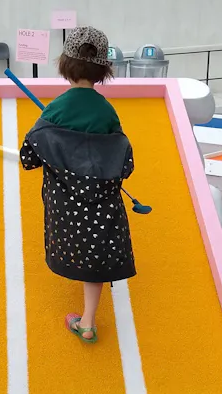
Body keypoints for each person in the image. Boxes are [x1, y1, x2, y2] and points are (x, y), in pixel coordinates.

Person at [19, 26, 136, 344]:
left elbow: (28, 158)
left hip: (65, 206)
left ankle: (83, 318)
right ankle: (88, 320)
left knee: (74, 247)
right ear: (103, 70)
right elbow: (124, 164)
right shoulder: (107, 112)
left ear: (64, 65)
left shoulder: (56, 109)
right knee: (96, 258)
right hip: (102, 205)